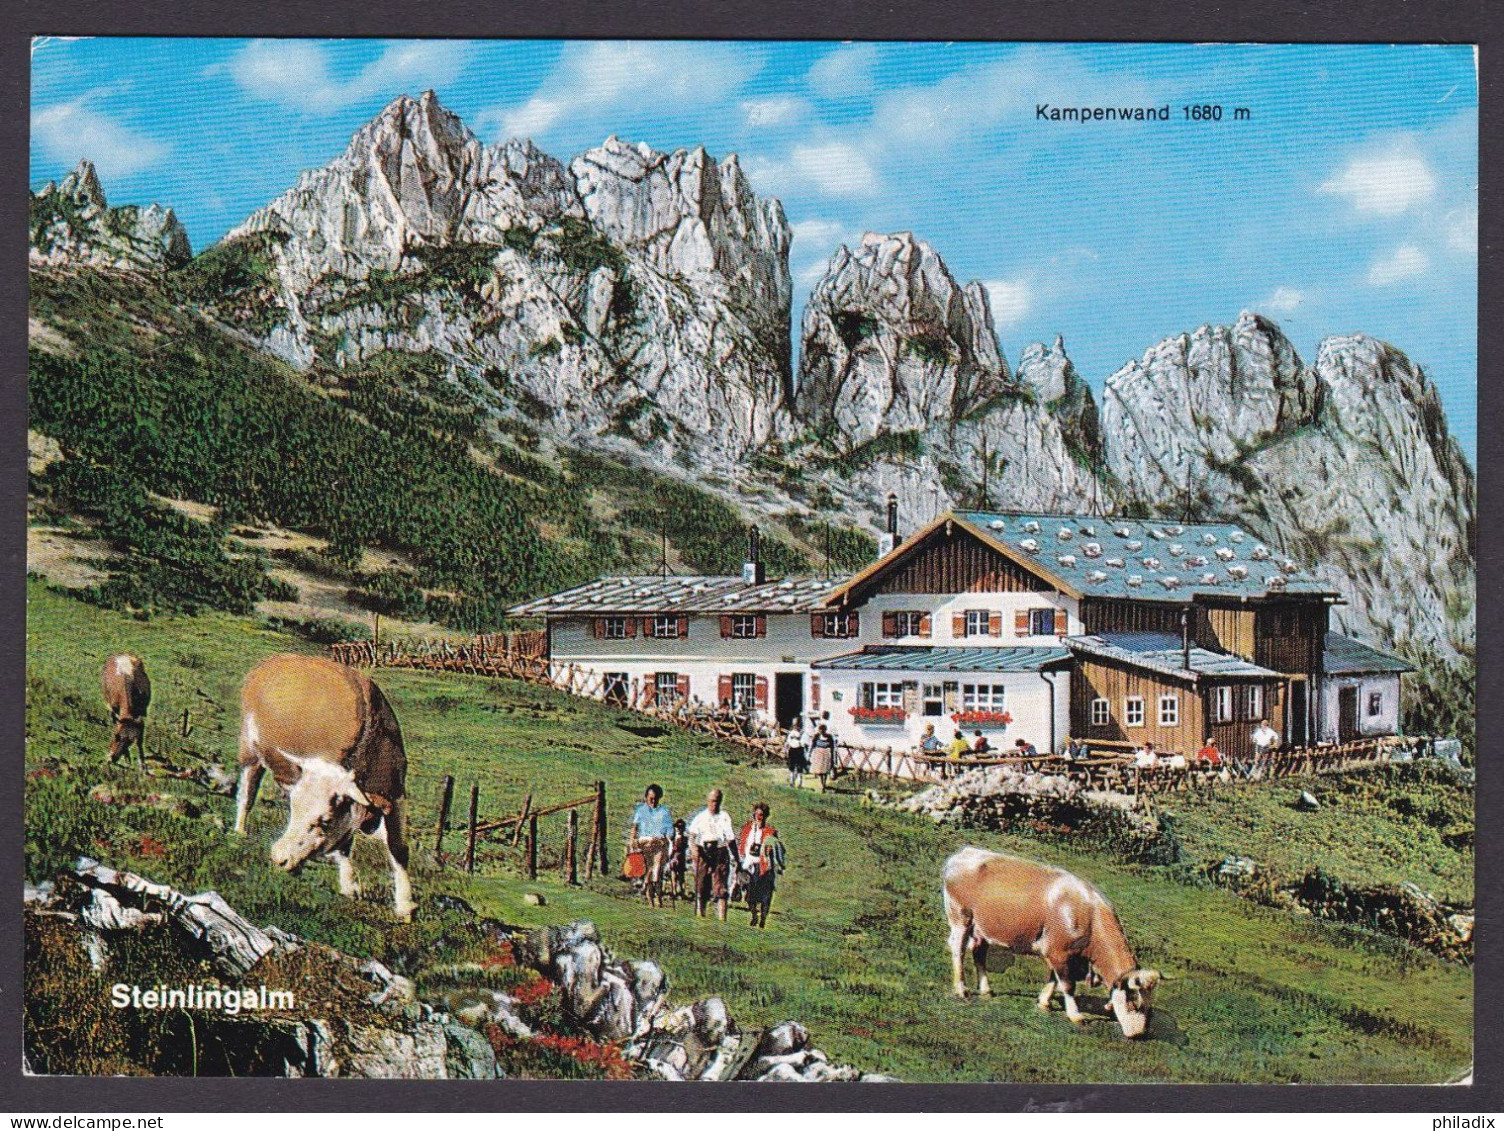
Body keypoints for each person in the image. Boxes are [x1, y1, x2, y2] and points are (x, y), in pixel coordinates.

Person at [688, 788, 737, 920]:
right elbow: (691, 836)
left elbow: (731, 839)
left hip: (719, 852)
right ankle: (700, 917)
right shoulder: (700, 817)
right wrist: (693, 849)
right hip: (703, 852)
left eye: (717, 801)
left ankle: (722, 919)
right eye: (712, 801)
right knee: (702, 887)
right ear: (708, 801)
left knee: (721, 888)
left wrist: (737, 859)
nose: (714, 804)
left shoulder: (724, 817)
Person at [737, 802, 785, 929]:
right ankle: (754, 915)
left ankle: (763, 919)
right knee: (750, 894)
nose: (759, 817)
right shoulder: (747, 829)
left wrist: (771, 853)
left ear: (766, 816)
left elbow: (777, 848)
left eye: (762, 815)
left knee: (765, 896)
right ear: (754, 815)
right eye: (757, 814)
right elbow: (741, 845)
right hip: (750, 864)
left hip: (764, 865)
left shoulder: (770, 832)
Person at [629, 784, 674, 908]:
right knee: (649, 871)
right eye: (651, 799)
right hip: (645, 843)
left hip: (659, 843)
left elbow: (670, 832)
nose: (653, 801)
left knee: (657, 870)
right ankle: (651, 901)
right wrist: (632, 841)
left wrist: (666, 840)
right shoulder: (641, 810)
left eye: (655, 799)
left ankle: (659, 898)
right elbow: (635, 827)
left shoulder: (664, 812)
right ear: (646, 798)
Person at [667, 818, 690, 901]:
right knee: (674, 876)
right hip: (675, 858)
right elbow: (672, 849)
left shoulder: (682, 838)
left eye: (680, 828)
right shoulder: (674, 838)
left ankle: (680, 892)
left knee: (680, 877)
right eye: (677, 827)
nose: (678, 829)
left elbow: (677, 848)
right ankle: (674, 892)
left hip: (680, 858)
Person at [809, 724, 836, 792]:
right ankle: (822, 785)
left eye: (823, 730)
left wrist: (832, 757)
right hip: (818, 754)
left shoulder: (829, 737)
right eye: (820, 730)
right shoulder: (816, 736)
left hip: (826, 754)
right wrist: (809, 754)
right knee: (819, 771)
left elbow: (832, 747)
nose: (821, 732)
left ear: (825, 730)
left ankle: (824, 784)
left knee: (825, 771)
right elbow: (812, 746)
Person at [784, 724, 808, 788]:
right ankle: (792, 783)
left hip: (799, 750)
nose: (796, 727)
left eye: (797, 726)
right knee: (791, 767)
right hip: (792, 750)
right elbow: (787, 743)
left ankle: (800, 783)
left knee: (800, 768)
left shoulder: (803, 734)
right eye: (795, 726)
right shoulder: (791, 733)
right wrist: (786, 751)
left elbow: (804, 744)